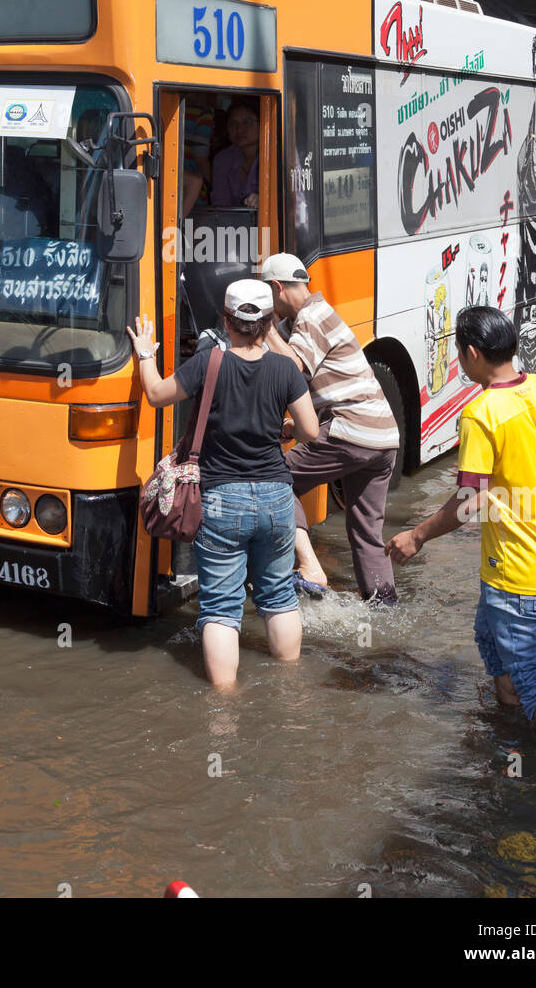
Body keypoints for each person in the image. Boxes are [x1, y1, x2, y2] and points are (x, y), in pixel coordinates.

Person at [386, 306, 536, 745]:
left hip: (516, 571)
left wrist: (417, 536)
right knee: (491, 640)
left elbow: (471, 501)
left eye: (458, 352)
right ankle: (510, 731)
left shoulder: (481, 413)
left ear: (472, 353)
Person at [127, 279, 318, 689]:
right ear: (269, 323)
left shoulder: (208, 362)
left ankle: (224, 707)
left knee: (220, 609)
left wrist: (145, 354)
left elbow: (158, 395)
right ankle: (290, 691)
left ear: (226, 321)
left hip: (219, 500)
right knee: (279, 596)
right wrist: (280, 428)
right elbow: (311, 431)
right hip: (276, 498)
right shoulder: (285, 369)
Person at [260, 252, 401, 602]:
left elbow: (294, 369)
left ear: (278, 288)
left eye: (268, 296)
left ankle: (310, 567)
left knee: (275, 477)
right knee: (366, 532)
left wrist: (262, 327)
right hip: (383, 437)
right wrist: (292, 427)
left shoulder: (313, 316)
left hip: (351, 431)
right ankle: (384, 609)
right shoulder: (303, 320)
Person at [210, 100, 260, 208]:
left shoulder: (278, 156)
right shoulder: (223, 159)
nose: (239, 129)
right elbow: (220, 207)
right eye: (233, 123)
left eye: (246, 122)